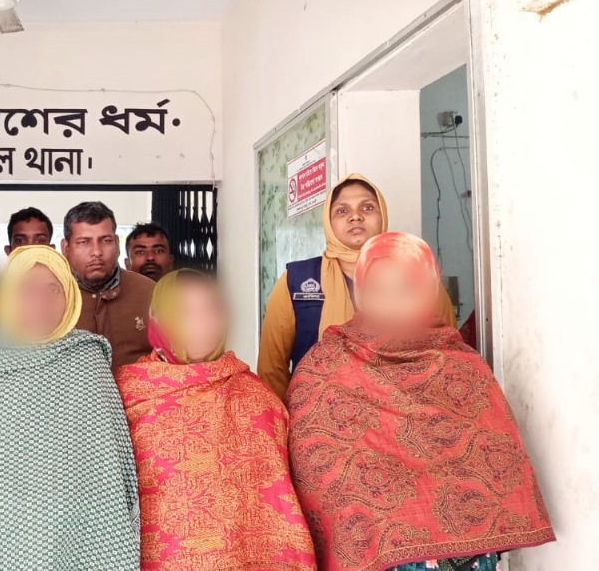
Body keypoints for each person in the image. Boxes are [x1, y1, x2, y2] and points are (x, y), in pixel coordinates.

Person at [288, 232, 553, 571]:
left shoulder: (461, 364)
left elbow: (495, 459)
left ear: (428, 291)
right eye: (378, 290)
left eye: (406, 289)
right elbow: (315, 466)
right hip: (376, 559)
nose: (391, 302)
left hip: (464, 559)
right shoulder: (326, 365)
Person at [0, 246, 139, 571]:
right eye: (26, 290)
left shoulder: (87, 358)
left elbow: (112, 460)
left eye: (52, 290)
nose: (39, 303)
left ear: (70, 297)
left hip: (80, 528)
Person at [116, 270, 316, 571]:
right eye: (185, 313)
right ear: (158, 319)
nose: (202, 323)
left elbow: (277, 497)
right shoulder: (130, 394)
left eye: (211, 310)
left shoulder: (255, 396)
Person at [258, 174, 457, 397]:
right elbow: (271, 369)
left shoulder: (420, 277)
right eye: (342, 211)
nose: (355, 217)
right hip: (317, 412)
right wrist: (293, 414)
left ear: (383, 215)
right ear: (328, 222)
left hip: (409, 412)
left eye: (368, 208)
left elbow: (449, 354)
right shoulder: (297, 281)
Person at [60, 201, 155, 369]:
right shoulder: (53, 295)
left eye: (105, 240)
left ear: (117, 244)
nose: (96, 252)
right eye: (84, 242)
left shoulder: (150, 292)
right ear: (66, 248)